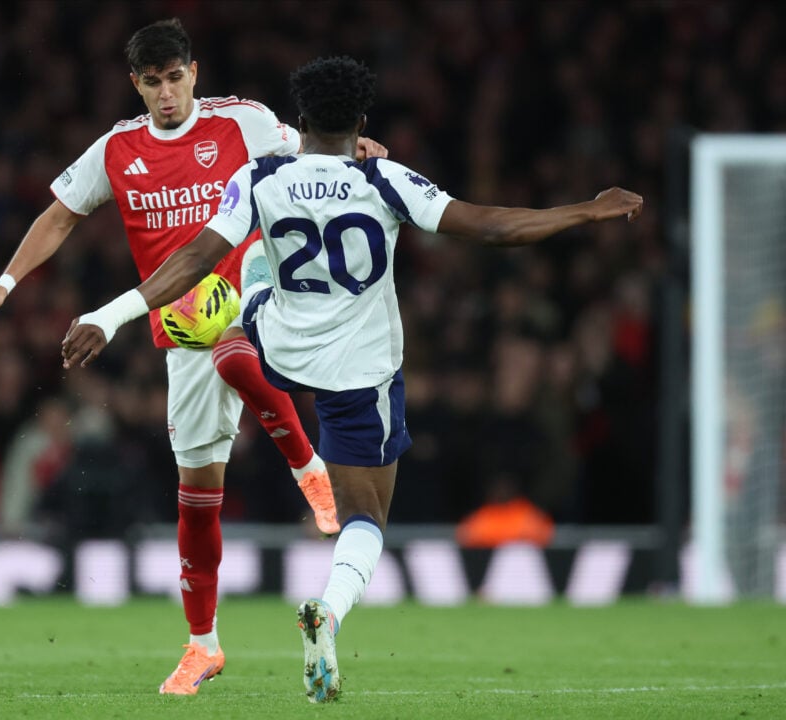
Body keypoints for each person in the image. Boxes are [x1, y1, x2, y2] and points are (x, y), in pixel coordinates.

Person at [59, 55, 643, 702]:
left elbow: (195, 255)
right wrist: (586, 211)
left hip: (277, 341)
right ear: (362, 122)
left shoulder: (261, 175)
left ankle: (247, 364)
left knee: (239, 286)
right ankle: (327, 612)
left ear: (299, 121)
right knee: (366, 516)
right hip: (359, 369)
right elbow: (495, 226)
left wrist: (112, 316)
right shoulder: (385, 178)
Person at [0, 19, 386, 696]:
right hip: (180, 329)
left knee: (236, 351)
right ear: (136, 84)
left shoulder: (242, 122)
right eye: (152, 81)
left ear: (194, 72)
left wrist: (351, 149)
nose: (166, 93)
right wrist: (3, 286)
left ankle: (310, 466)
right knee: (197, 497)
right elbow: (61, 214)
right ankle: (201, 645)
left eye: (174, 77)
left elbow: (309, 154)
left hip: (258, 289)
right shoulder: (118, 149)